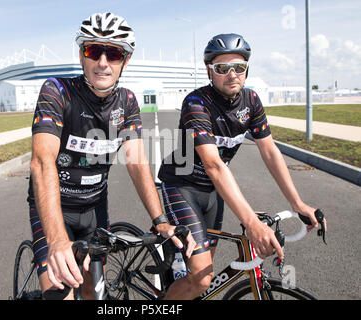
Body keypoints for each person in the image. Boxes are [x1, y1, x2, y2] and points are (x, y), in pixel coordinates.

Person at [27, 12, 195, 300]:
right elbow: (42, 163)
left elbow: (137, 161)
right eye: (94, 50)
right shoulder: (57, 91)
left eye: (113, 53)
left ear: (125, 61)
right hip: (54, 209)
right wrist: (56, 240)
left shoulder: (127, 101)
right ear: (82, 56)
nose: (103, 62)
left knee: (93, 289)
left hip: (95, 207)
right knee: (60, 290)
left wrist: (160, 220)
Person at [158, 33, 327, 300]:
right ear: (209, 72)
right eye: (222, 69)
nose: (232, 74)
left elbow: (270, 152)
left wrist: (298, 203)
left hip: (214, 191)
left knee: (204, 274)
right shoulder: (196, 103)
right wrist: (252, 223)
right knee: (201, 279)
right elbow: (213, 164)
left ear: (247, 70)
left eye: (239, 67)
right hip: (182, 186)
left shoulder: (251, 101)